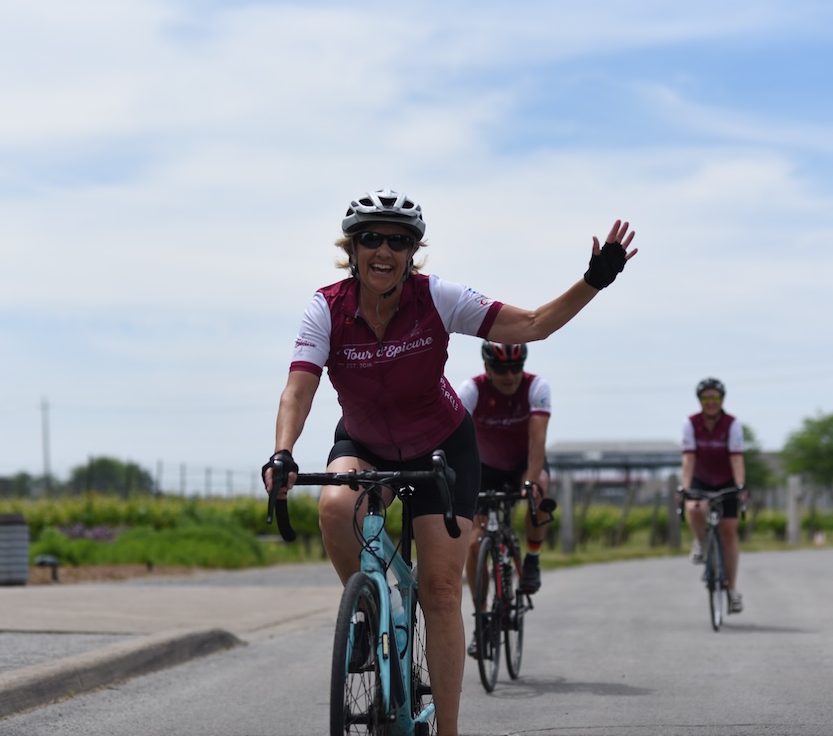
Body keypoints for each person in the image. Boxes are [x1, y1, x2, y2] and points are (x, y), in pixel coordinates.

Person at [262, 189, 637, 736]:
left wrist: (593, 282)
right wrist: (284, 451)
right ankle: (367, 608)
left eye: (399, 240)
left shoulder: (436, 298)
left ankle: (449, 731)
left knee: (440, 590)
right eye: (371, 238)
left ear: (414, 250)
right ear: (353, 248)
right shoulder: (327, 306)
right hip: (364, 442)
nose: (384, 250)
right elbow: (298, 388)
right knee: (333, 508)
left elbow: (532, 324)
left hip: (442, 447)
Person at [457, 341, 553, 656]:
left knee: (538, 493)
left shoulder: (535, 387)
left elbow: (538, 438)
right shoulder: (470, 390)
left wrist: (530, 480)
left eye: (515, 368)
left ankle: (533, 558)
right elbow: (455, 437)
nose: (510, 375)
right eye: (501, 369)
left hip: (525, 462)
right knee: (474, 542)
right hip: (485, 467)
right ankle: (482, 616)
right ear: (487, 368)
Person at [680, 377, 747, 614]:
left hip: (726, 480)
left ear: (721, 400)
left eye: (715, 398)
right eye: (706, 398)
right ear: (700, 400)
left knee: (729, 532)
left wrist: (740, 486)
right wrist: (685, 488)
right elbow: (688, 459)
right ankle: (700, 542)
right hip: (700, 478)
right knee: (694, 508)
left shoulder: (732, 424)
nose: (710, 402)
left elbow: (737, 458)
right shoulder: (691, 424)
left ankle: (732, 589)